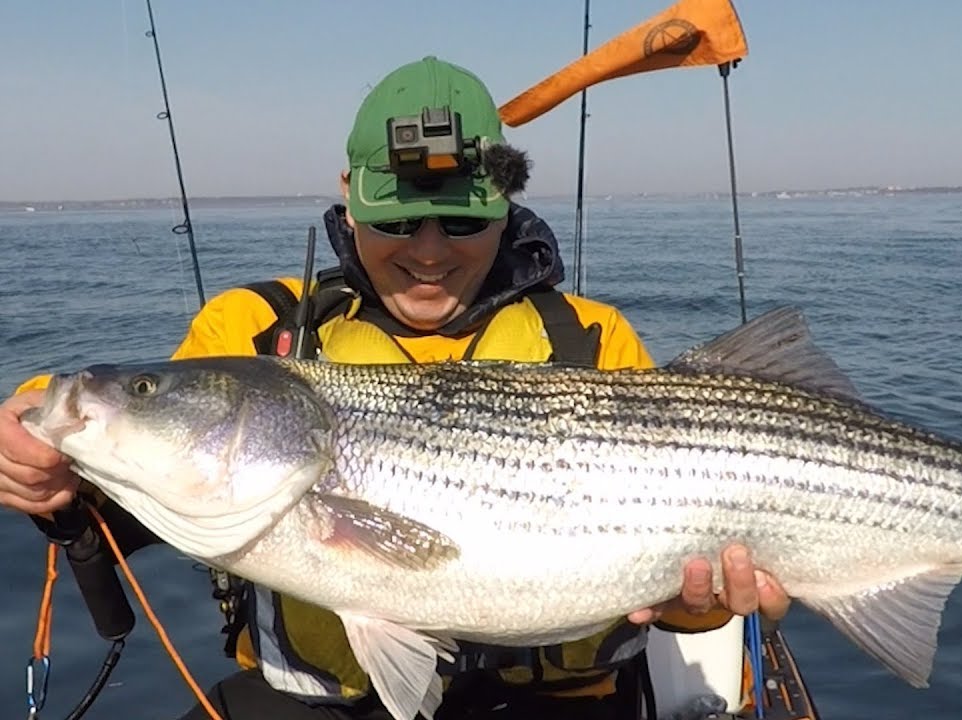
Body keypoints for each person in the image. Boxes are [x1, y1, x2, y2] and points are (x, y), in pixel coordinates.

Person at [0, 56, 789, 719]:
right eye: (397, 222)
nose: (430, 251)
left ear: (505, 207)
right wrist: (39, 447)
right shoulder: (252, 329)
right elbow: (129, 475)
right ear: (350, 194)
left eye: (463, 222)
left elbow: (691, 580)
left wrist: (708, 601)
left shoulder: (591, 338)